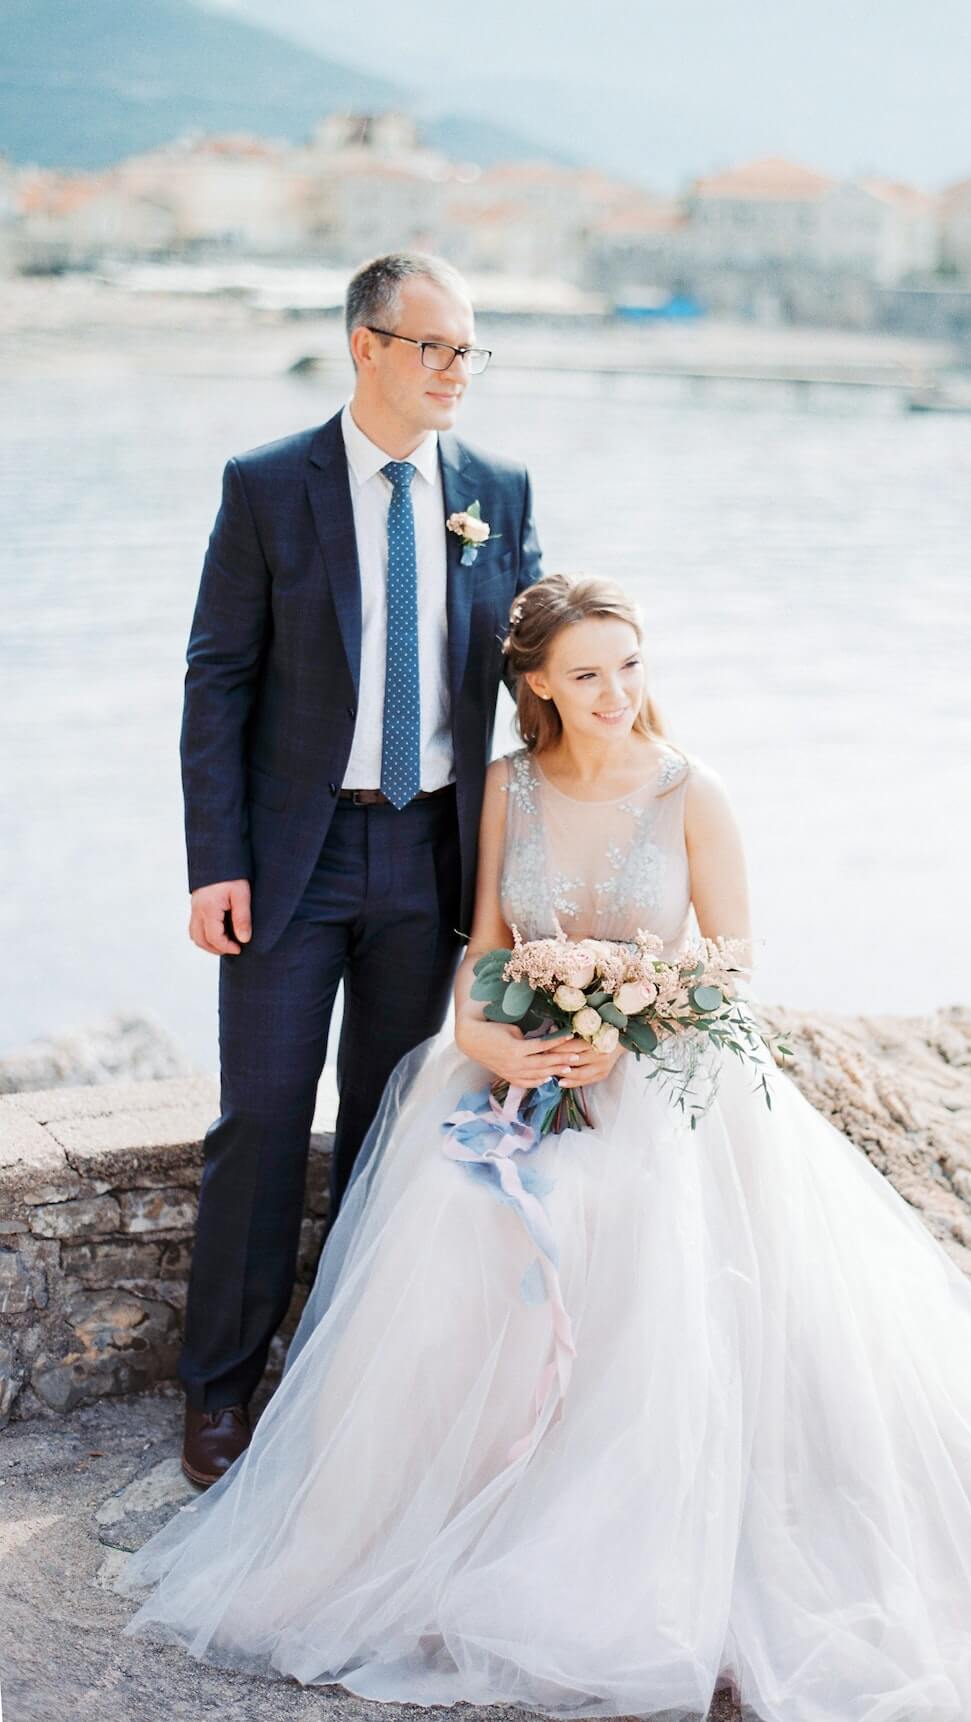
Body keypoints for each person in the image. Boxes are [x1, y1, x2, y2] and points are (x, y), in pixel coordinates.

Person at [121, 575, 971, 1722]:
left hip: (670, 1081)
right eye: (587, 674)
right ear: (534, 685)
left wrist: (625, 1031)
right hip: (515, 1070)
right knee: (462, 1236)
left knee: (643, 1251)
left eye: (630, 665)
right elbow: (485, 943)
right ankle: (446, 1509)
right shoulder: (503, 788)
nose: (617, 691)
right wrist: (485, 1033)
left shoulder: (691, 792)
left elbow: (730, 963)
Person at [176, 251, 542, 1488]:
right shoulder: (269, 486)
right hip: (292, 858)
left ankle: (339, 1379)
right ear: (366, 346)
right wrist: (214, 863)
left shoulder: (497, 488)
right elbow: (217, 680)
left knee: (391, 1128)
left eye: (467, 350)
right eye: (432, 347)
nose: (454, 372)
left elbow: (537, 674)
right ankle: (220, 1390)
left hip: (433, 853)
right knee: (261, 1122)